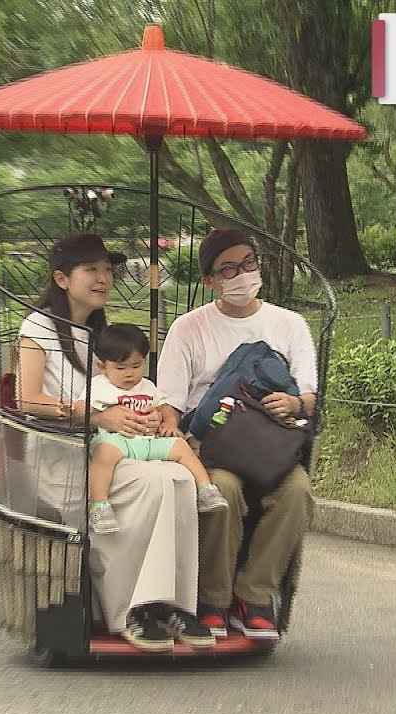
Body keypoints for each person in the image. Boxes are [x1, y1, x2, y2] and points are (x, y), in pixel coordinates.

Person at [17, 233, 212, 652]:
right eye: (92, 269)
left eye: (108, 269)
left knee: (179, 477)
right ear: (62, 278)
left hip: (117, 449)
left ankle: (172, 605)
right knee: (153, 482)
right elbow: (27, 399)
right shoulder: (39, 326)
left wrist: (158, 416)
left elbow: (133, 389)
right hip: (65, 456)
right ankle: (131, 609)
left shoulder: (100, 333)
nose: (104, 278)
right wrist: (95, 415)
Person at [158, 227, 317, 641]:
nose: (242, 275)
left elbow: (309, 396)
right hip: (212, 448)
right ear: (210, 280)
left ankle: (256, 595)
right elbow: (170, 409)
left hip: (270, 445)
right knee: (222, 490)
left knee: (297, 489)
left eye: (248, 264)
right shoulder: (188, 329)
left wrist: (294, 404)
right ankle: (214, 600)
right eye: (228, 269)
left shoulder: (289, 324)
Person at [77, 323, 227, 534]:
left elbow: (164, 406)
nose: (129, 373)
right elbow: (79, 409)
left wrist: (170, 424)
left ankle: (205, 489)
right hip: (118, 441)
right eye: (121, 368)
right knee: (103, 454)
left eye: (136, 365)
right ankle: (99, 505)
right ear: (103, 366)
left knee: (180, 446)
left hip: (148, 441)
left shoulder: (147, 386)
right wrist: (100, 416)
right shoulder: (100, 386)